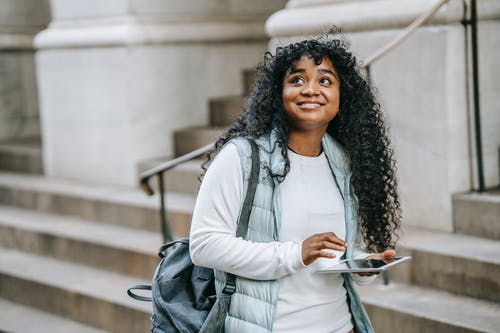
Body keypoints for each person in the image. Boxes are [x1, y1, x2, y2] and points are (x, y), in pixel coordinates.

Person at [189, 37, 401, 333]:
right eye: (297, 79)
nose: (310, 89)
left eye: (325, 80)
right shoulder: (241, 157)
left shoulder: (344, 165)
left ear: (343, 98)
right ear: (279, 93)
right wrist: (295, 253)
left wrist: (364, 264)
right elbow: (204, 246)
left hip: (342, 326)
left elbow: (329, 255)